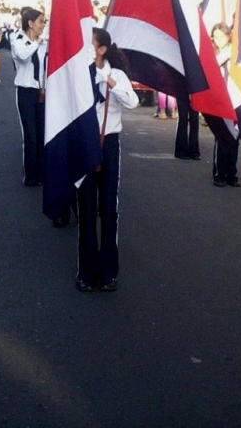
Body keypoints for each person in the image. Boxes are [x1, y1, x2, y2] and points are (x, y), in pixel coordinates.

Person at [76, 27, 139, 292]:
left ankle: (108, 270)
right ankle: (86, 271)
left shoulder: (117, 74)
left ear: (102, 49)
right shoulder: (79, 73)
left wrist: (108, 79)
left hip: (109, 143)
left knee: (109, 208)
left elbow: (133, 101)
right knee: (86, 208)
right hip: (84, 143)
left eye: (90, 45)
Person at [11, 8, 47, 187]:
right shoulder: (17, 40)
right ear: (30, 23)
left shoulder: (44, 43)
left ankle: (42, 174)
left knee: (41, 134)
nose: (43, 25)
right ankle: (30, 176)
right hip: (25, 92)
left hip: (41, 93)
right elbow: (23, 56)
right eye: (41, 22)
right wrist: (37, 42)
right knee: (30, 135)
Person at [210, 24, 241, 188]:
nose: (219, 40)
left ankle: (231, 173)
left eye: (222, 36)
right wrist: (226, 54)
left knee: (235, 137)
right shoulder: (213, 53)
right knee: (222, 137)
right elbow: (212, 68)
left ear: (229, 36)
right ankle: (219, 173)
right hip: (220, 101)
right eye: (216, 37)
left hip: (236, 99)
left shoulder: (236, 52)